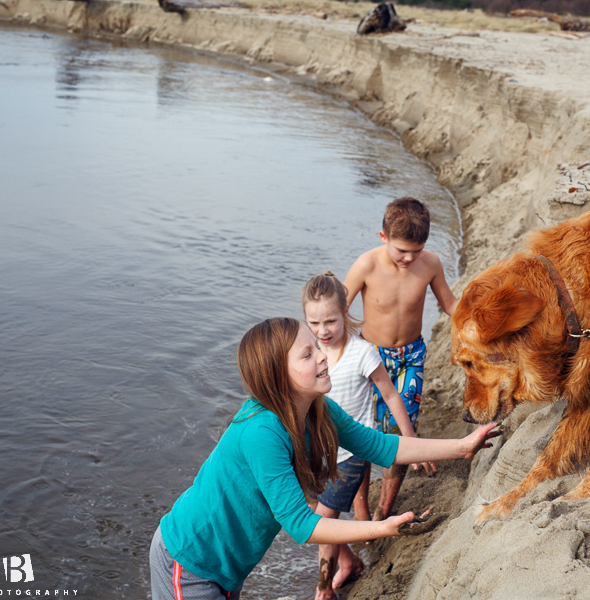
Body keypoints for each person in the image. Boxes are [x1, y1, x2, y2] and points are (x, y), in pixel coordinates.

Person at [149, 317, 497, 600]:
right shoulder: (261, 433)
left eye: (317, 346)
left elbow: (380, 446)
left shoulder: (318, 409)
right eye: (306, 354)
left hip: (228, 565)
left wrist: (463, 445)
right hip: (189, 560)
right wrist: (380, 527)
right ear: (276, 375)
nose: (322, 355)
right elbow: (303, 525)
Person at [302, 272, 428, 600]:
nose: (322, 331)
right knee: (309, 509)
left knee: (322, 520)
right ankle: (349, 563)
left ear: (345, 313)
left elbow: (389, 395)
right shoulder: (310, 354)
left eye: (330, 321)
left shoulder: (362, 353)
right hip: (317, 453)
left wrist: (409, 439)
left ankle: (323, 589)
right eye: (313, 323)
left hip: (349, 456)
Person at [344, 197, 458, 520]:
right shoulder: (366, 265)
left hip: (411, 358)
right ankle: (361, 507)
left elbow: (450, 305)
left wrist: (478, 319)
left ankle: (384, 510)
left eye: (416, 250)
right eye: (401, 250)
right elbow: (337, 309)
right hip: (370, 357)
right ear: (384, 237)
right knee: (362, 432)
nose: (409, 258)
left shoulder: (430, 264)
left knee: (401, 432)